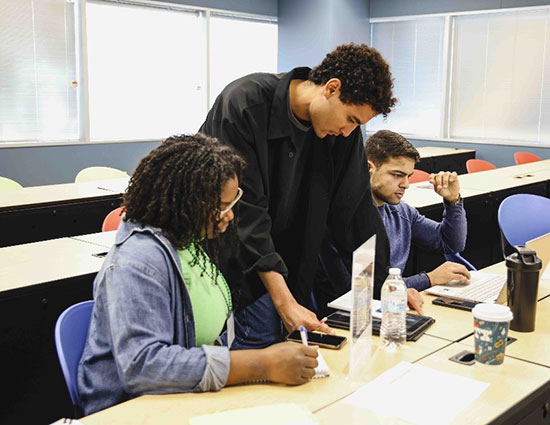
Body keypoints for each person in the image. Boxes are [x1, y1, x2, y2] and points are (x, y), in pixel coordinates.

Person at [77, 134, 319, 415]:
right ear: (186, 202)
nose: (230, 215)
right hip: (132, 411)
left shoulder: (187, 239)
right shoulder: (136, 262)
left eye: (233, 202)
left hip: (185, 398)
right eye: (222, 206)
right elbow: (143, 367)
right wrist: (261, 363)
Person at [200, 43, 397, 349]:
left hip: (293, 261)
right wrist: (283, 301)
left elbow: (355, 211)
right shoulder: (244, 104)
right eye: (351, 119)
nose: (348, 132)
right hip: (240, 262)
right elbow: (245, 213)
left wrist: (387, 284)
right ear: (331, 89)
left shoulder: (341, 133)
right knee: (259, 362)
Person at [366, 130, 471, 290]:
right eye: (397, 175)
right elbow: (365, 289)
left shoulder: (402, 213)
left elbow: (451, 244)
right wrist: (429, 279)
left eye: (408, 176)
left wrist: (453, 201)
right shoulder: (351, 218)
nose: (406, 184)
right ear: (369, 168)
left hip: (394, 304)